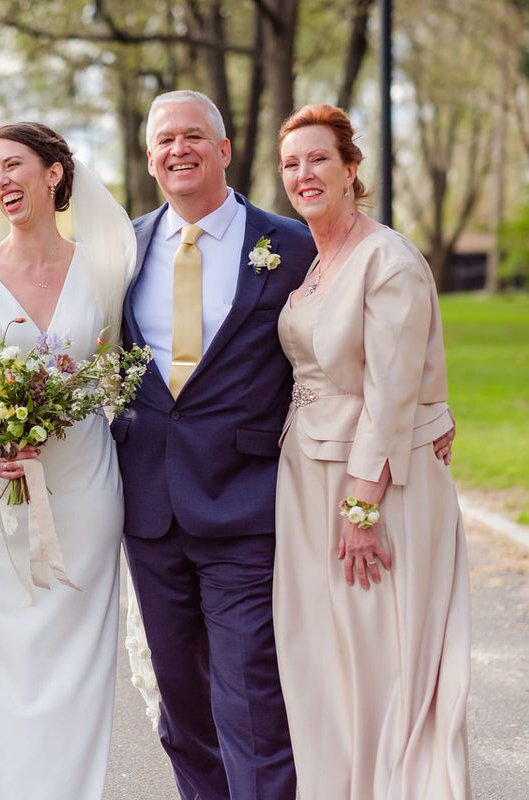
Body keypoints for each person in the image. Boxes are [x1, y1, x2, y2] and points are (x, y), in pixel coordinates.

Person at [113, 90, 317, 800]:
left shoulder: (291, 245)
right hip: (149, 508)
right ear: (149, 158)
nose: (179, 150)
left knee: (251, 703)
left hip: (245, 501)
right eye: (164, 140)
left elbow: (338, 347)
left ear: (223, 150)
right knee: (183, 708)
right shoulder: (122, 248)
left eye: (194, 136)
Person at [0, 122, 138, 799]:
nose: (0, 182)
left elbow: (123, 372)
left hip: (84, 491)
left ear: (53, 174)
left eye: (12, 165)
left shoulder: (106, 270)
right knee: (7, 670)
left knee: (80, 667)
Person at [273, 103, 471, 799]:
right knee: (326, 662)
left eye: (318, 158)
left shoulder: (388, 259)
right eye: (291, 162)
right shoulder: (316, 258)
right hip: (306, 478)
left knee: (381, 662)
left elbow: (391, 394)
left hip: (372, 491)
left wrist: (362, 512)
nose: (304, 173)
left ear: (352, 169)